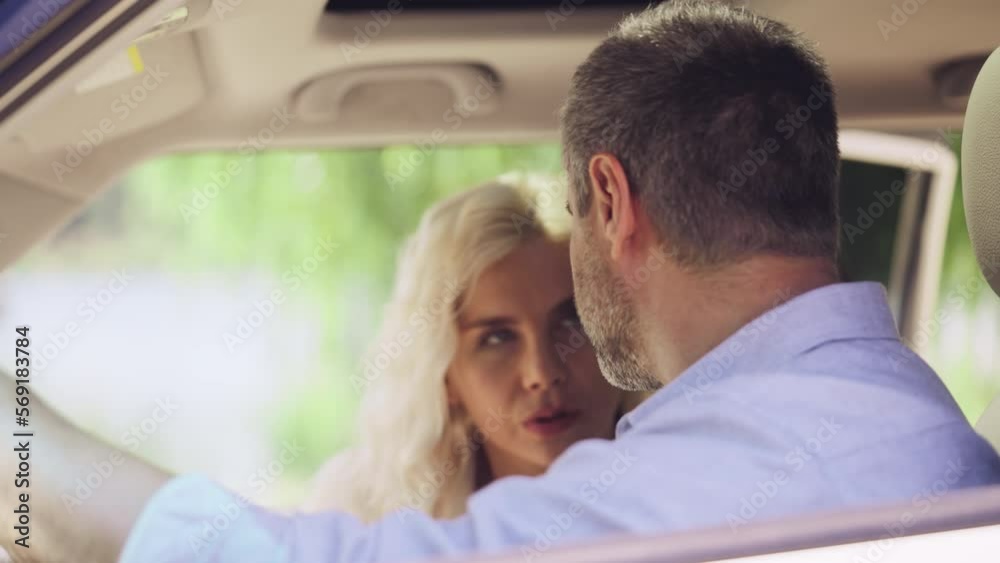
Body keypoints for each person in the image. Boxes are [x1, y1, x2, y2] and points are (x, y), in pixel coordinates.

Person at [4, 2, 1000, 562]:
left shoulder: (711, 481)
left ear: (609, 199)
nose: (542, 370)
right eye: (492, 335)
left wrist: (17, 432)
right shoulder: (921, 426)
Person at [303, 180, 635, 520]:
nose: (543, 373)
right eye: (498, 338)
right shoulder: (361, 512)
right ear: (446, 376)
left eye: (573, 322)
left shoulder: (669, 489)